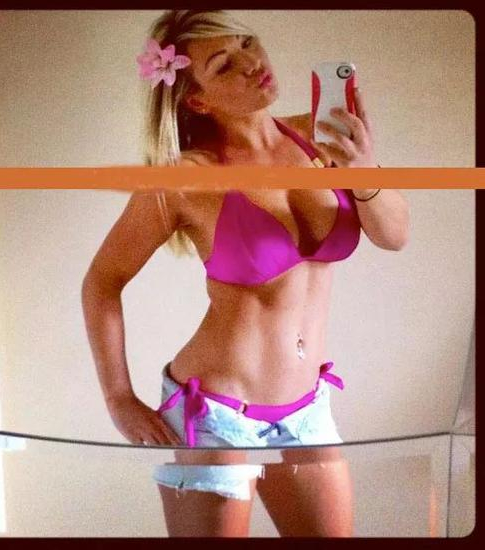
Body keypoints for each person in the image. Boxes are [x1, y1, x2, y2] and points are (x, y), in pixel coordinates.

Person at [82, 10, 410, 537]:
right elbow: (102, 281)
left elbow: (394, 236)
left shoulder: (322, 137)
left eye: (248, 43)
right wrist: (118, 399)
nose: (252, 63)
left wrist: (363, 171)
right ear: (197, 100)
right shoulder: (185, 180)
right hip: (215, 415)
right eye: (224, 63)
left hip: (307, 410)